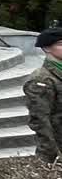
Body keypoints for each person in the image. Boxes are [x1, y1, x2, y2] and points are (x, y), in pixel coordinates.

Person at [23, 27, 62, 163]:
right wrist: (53, 154)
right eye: (61, 44)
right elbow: (40, 120)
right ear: (46, 48)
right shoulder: (41, 80)